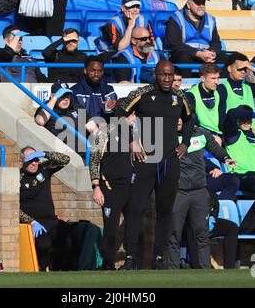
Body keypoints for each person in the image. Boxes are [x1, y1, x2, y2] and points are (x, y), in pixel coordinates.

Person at [115, 59, 194, 270]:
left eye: (170, 75)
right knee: (135, 209)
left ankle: (159, 258)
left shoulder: (180, 97)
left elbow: (190, 120)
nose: (167, 79)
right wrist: (132, 140)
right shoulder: (141, 93)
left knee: (165, 211)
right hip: (145, 161)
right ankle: (131, 257)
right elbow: (118, 113)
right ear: (155, 75)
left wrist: (185, 142)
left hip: (169, 162)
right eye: (163, 75)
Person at [168, 122, 238, 269]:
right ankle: (172, 271)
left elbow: (215, 148)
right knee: (174, 233)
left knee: (202, 234)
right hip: (178, 192)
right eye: (177, 117)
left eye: (183, 117)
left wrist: (226, 158)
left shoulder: (202, 134)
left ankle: (204, 270)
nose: (179, 120)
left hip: (200, 192)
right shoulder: (167, 135)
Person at [89, 114, 134, 270]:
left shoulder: (134, 132)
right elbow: (94, 161)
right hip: (110, 188)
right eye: (131, 115)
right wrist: (96, 187)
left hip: (131, 186)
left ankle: (132, 262)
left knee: (134, 226)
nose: (134, 118)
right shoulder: (104, 133)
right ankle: (108, 264)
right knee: (111, 228)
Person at [18, 146, 71, 271]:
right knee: (44, 244)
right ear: (22, 161)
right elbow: (14, 207)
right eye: (30, 160)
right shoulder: (17, 178)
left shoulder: (44, 169)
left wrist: (42, 154)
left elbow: (66, 159)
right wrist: (30, 221)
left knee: (67, 237)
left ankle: (56, 268)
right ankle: (40, 267)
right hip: (34, 224)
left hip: (51, 221)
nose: (34, 163)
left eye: (35, 159)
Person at [166, 0, 225, 78]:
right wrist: (197, 53)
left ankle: (221, 87)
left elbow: (216, 42)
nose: (202, 6)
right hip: (185, 53)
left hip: (206, 54)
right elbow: (175, 44)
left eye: (203, 3)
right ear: (189, 4)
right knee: (184, 57)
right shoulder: (176, 18)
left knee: (225, 58)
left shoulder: (210, 19)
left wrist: (212, 53)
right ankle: (185, 87)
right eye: (198, 3)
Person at [218, 52, 255, 132]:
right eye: (239, 69)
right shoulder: (222, 88)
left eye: (245, 69)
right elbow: (221, 116)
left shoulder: (248, 88)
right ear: (229, 69)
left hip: (251, 133)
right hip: (232, 134)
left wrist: (252, 68)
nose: (243, 72)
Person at [224, 106, 255, 198]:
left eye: (249, 119)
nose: (246, 122)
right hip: (241, 176)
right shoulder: (233, 135)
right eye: (243, 119)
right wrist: (254, 114)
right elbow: (231, 113)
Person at [35, 81, 94, 157]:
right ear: (52, 96)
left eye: (67, 95)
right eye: (62, 96)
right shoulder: (46, 109)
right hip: (65, 154)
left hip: (85, 151)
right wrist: (55, 98)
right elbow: (40, 121)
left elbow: (92, 127)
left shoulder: (75, 107)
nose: (66, 99)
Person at [185, 64, 223, 143]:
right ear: (202, 78)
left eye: (218, 78)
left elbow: (222, 116)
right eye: (213, 78)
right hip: (200, 132)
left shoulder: (218, 92)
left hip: (218, 132)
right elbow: (193, 121)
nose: (217, 82)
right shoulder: (191, 95)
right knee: (217, 140)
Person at [71, 55, 118, 120]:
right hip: (83, 128)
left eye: (100, 71)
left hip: (106, 128)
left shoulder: (109, 91)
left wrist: (116, 106)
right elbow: (73, 116)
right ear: (85, 71)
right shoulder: (75, 91)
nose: (96, 74)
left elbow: (114, 116)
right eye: (93, 70)